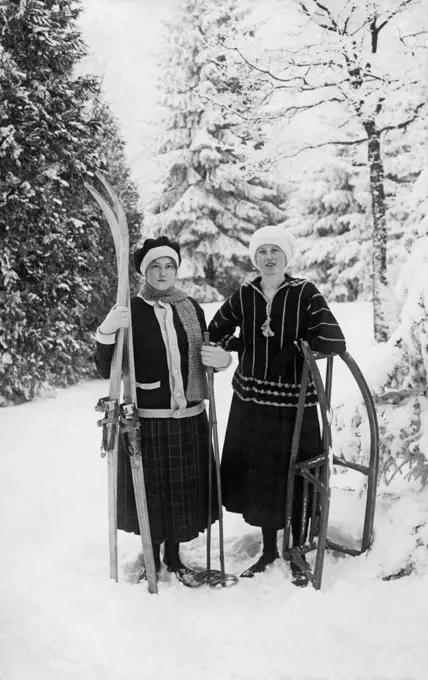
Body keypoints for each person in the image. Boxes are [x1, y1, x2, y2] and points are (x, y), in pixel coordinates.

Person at [208, 225, 346, 583]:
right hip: (252, 401)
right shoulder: (246, 293)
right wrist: (235, 345)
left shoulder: (305, 293)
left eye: (275, 252)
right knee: (260, 474)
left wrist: (299, 346)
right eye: (262, 253)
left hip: (294, 404)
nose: (268, 258)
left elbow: (334, 339)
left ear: (287, 256)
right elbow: (216, 329)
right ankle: (269, 549)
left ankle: (297, 549)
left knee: (296, 470)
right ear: (255, 258)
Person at [95, 235, 231, 587]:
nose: (163, 272)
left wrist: (220, 359)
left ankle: (174, 557)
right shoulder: (131, 309)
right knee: (151, 490)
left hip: (188, 415)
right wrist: (107, 331)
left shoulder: (191, 307)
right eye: (155, 265)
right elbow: (106, 367)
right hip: (147, 419)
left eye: (169, 265)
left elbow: (205, 351)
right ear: (144, 270)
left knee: (180, 494)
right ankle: (151, 558)